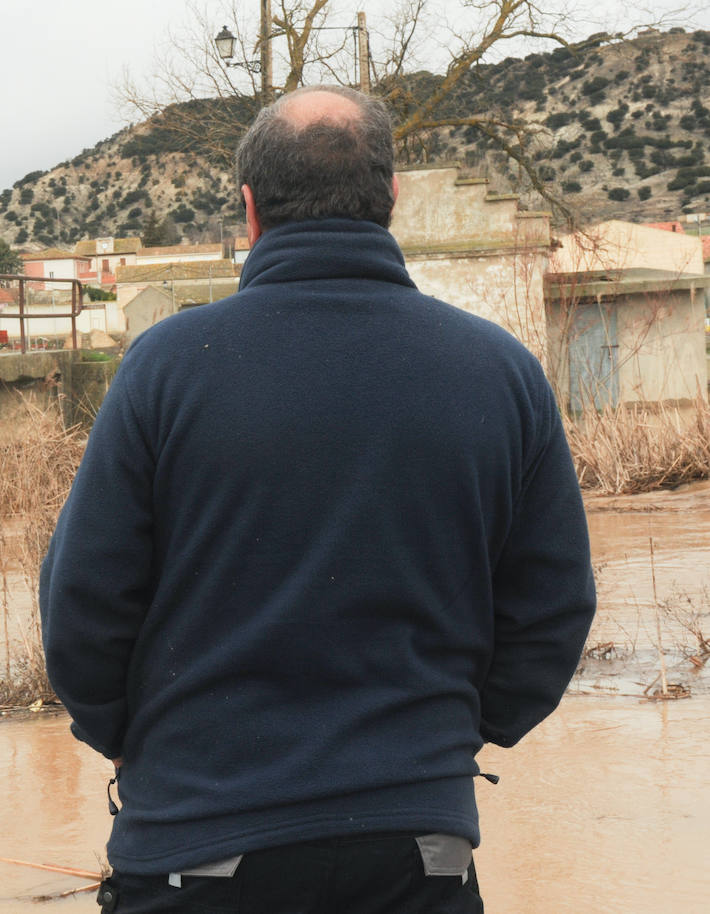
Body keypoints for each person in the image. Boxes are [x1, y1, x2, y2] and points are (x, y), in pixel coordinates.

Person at [39, 86, 596, 913]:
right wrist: (445, 739)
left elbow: (82, 611)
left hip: (201, 846)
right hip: (418, 849)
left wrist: (139, 744)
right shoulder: (499, 372)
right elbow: (552, 609)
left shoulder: (166, 369)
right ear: (390, 200)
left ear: (250, 207)